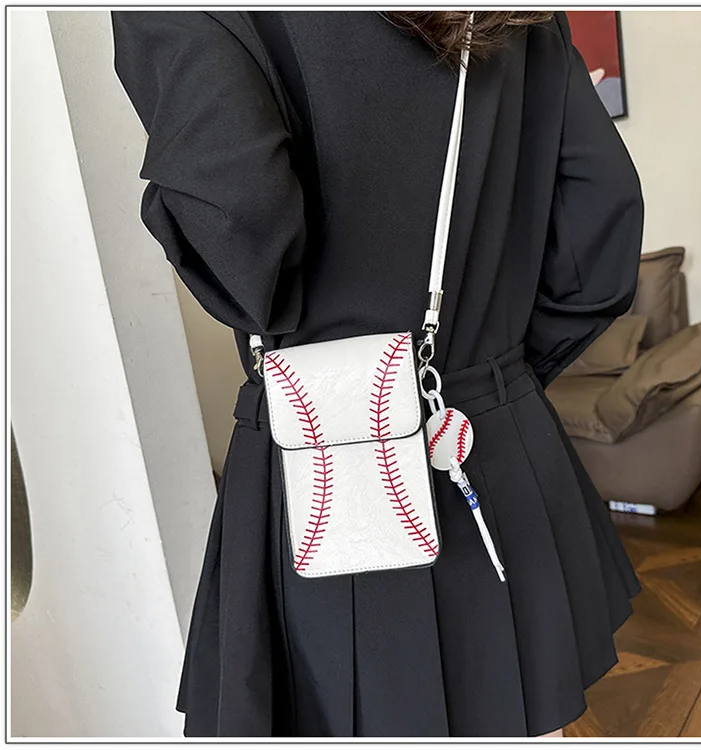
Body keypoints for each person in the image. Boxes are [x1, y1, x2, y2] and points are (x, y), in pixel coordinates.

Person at [110, 10, 644, 738]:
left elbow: (244, 252)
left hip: (324, 482)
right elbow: (600, 226)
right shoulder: (520, 15)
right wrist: (493, 388)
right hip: (504, 458)